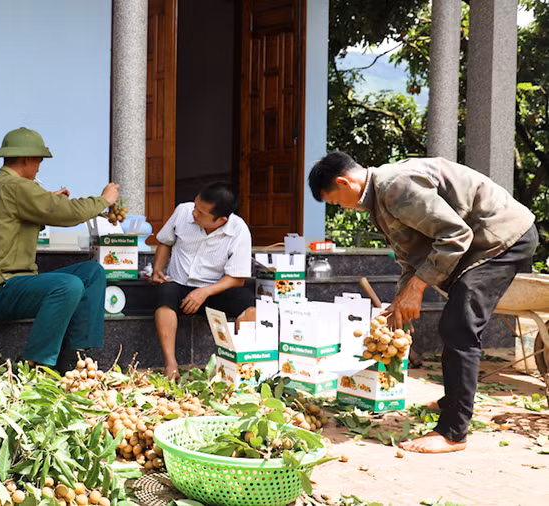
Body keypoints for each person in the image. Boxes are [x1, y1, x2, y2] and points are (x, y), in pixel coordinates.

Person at [308, 152, 537, 454]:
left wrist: (417, 289)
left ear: (343, 182)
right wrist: (402, 297)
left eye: (337, 201)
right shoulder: (380, 199)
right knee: (456, 323)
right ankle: (452, 401)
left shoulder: (395, 185)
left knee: (459, 327)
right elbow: (411, 256)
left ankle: (453, 433)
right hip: (479, 245)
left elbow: (455, 236)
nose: (343, 208)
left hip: (502, 240)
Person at [0, 127, 119, 372]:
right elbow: (68, 213)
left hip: (14, 286)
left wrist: (46, 199)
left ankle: (76, 360)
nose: (39, 167)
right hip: (2, 290)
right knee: (68, 285)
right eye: (39, 160)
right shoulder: (16, 187)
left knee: (92, 273)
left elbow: (21, 215)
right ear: (27, 158)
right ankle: (37, 365)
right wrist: (104, 200)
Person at [152, 182, 255, 378]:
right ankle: (170, 363)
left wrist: (205, 291)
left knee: (252, 309)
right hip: (180, 285)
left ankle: (227, 366)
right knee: (165, 293)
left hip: (215, 289)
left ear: (221, 220)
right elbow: (165, 241)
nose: (194, 214)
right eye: (195, 206)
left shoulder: (239, 230)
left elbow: (237, 278)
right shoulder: (183, 211)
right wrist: (158, 269)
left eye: (201, 213)